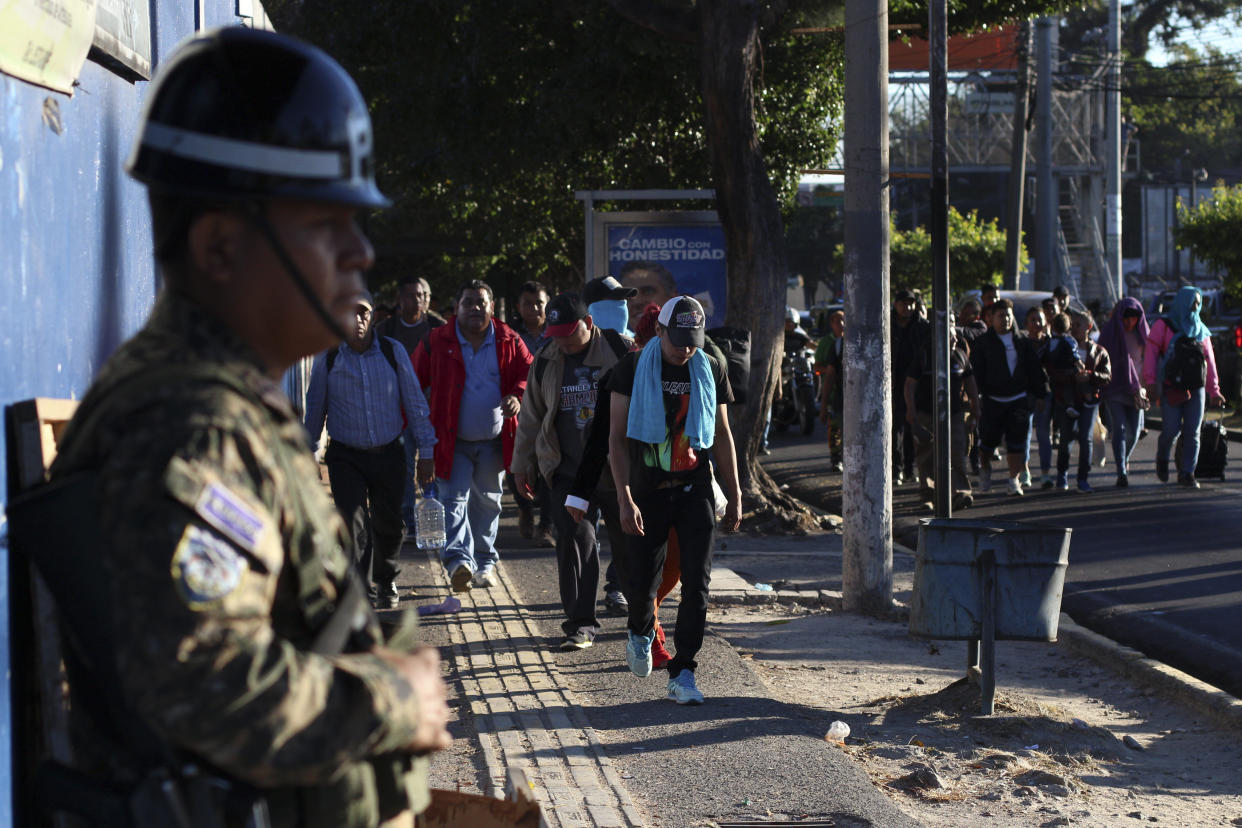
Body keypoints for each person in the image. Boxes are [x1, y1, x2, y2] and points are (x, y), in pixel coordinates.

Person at [42, 27, 449, 825]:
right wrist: (393, 699)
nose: (361, 254)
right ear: (222, 246)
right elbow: (206, 681)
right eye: (328, 225)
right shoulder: (193, 428)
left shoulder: (230, 409)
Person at [607, 296, 742, 706]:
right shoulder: (631, 368)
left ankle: (684, 671)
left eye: (693, 340)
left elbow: (720, 433)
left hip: (695, 486)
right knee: (642, 584)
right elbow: (615, 439)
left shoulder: (711, 365)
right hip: (647, 488)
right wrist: (624, 497)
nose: (685, 349)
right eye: (677, 340)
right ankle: (640, 628)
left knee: (697, 585)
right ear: (659, 331)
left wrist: (734, 493)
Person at [512, 293, 633, 650]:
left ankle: (642, 618)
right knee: (575, 541)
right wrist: (522, 467)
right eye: (556, 333)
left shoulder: (620, 351)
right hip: (567, 471)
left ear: (589, 324)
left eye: (569, 332)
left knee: (629, 545)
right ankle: (580, 623)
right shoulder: (546, 360)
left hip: (617, 470)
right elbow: (531, 417)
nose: (562, 341)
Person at [304, 291, 437, 608]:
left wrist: (427, 452)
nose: (358, 320)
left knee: (389, 523)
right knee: (352, 522)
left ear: (373, 315)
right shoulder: (330, 358)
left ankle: (386, 579)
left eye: (363, 313)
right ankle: (359, 587)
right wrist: (309, 453)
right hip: (346, 456)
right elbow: (315, 410)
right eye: (350, 313)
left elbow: (415, 403)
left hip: (390, 452)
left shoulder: (393, 353)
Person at [413, 280, 532, 590]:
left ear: (492, 308)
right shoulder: (436, 340)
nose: (475, 308)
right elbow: (412, 384)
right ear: (457, 308)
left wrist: (518, 395)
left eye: (481, 302)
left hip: (495, 440)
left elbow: (528, 372)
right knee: (453, 501)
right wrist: (420, 436)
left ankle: (485, 563)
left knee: (489, 503)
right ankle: (458, 562)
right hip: (451, 441)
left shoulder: (509, 339)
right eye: (468, 302)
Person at [375, 276, 446, 533]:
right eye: (410, 295)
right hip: (398, 409)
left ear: (428, 299)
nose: (417, 300)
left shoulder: (440, 328)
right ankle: (407, 516)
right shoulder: (385, 330)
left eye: (422, 295)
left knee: (432, 464)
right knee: (403, 464)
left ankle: (433, 517)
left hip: (433, 408)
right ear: (399, 299)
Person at [1142, 285, 1226, 488]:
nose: (1195, 307)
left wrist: (1214, 390)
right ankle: (1162, 456)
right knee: (1171, 430)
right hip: (1172, 386)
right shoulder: (1164, 325)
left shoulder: (1201, 330)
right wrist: (1150, 382)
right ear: (1182, 302)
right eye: (1193, 302)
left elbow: (1209, 362)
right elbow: (1151, 356)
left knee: (1193, 431)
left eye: (1198, 303)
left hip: (1196, 388)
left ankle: (1187, 473)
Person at [970, 298, 1048, 496]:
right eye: (1001, 316)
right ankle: (985, 469)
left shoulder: (1022, 342)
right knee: (987, 443)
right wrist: (974, 399)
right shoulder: (983, 343)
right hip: (993, 400)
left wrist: (1040, 394)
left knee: (1017, 444)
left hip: (1018, 399)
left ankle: (1013, 480)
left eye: (1008, 315)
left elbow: (1035, 370)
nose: (1005, 319)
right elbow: (975, 373)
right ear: (992, 319)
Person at [904, 315, 979, 510]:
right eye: (950, 338)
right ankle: (928, 496)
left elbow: (971, 385)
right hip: (926, 413)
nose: (954, 341)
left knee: (957, 452)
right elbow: (910, 385)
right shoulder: (924, 356)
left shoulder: (960, 356)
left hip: (953, 413)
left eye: (955, 338)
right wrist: (911, 411)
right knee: (926, 455)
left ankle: (960, 492)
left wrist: (975, 410)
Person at [508, 280, 554, 546]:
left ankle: (546, 526)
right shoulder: (512, 334)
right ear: (518, 306)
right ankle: (525, 508)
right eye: (528, 303)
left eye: (540, 303)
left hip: (552, 407)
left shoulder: (557, 331)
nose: (535, 308)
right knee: (519, 463)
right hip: (521, 409)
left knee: (548, 464)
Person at [1046, 310, 1112, 492]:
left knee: (1086, 439)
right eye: (1071, 325)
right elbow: (1052, 371)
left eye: (1078, 325)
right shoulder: (1063, 346)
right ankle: (1062, 475)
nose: (1073, 328)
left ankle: (1083, 478)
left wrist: (1090, 376)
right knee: (1066, 439)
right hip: (1066, 400)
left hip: (1089, 401)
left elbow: (1106, 376)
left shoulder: (1098, 351)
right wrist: (1071, 377)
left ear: (1088, 327)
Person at [1098, 297, 1151, 487]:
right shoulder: (1109, 334)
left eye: (1134, 319)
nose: (1130, 323)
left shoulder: (1143, 335)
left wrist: (1147, 385)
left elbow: (1149, 361)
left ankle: (1124, 457)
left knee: (1134, 431)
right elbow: (1100, 359)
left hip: (1137, 390)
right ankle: (1121, 470)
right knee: (1119, 428)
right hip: (1115, 387)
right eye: (1126, 319)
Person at [891, 288, 928, 485]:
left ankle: (909, 469)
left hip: (916, 384)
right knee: (895, 428)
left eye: (911, 303)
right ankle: (896, 469)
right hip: (894, 384)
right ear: (895, 304)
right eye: (904, 303)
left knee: (912, 426)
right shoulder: (887, 324)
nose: (908, 307)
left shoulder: (922, 326)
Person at [815, 309, 845, 472]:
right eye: (836, 321)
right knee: (834, 428)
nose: (840, 324)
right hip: (833, 391)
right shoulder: (828, 342)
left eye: (842, 320)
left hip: (848, 395)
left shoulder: (852, 339)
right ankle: (835, 458)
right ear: (831, 324)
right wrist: (831, 370)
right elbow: (818, 366)